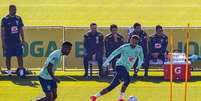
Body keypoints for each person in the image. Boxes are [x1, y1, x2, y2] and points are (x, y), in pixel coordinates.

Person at [91, 35, 144, 101]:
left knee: (112, 86)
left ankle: (94, 96)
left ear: (137, 42)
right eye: (132, 41)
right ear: (130, 40)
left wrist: (138, 67)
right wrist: (106, 62)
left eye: (135, 42)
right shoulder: (124, 47)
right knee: (127, 80)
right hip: (120, 66)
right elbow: (114, 53)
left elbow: (141, 59)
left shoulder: (139, 49)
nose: (133, 43)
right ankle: (121, 98)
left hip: (126, 69)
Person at [1, 4, 25, 77]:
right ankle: (9, 72)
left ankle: (21, 72)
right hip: (8, 42)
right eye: (13, 9)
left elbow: (21, 30)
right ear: (10, 10)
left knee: (20, 57)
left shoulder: (18, 18)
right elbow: (2, 32)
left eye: (15, 9)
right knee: (8, 57)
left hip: (17, 42)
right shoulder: (5, 19)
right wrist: (3, 42)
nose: (15, 11)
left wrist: (23, 40)